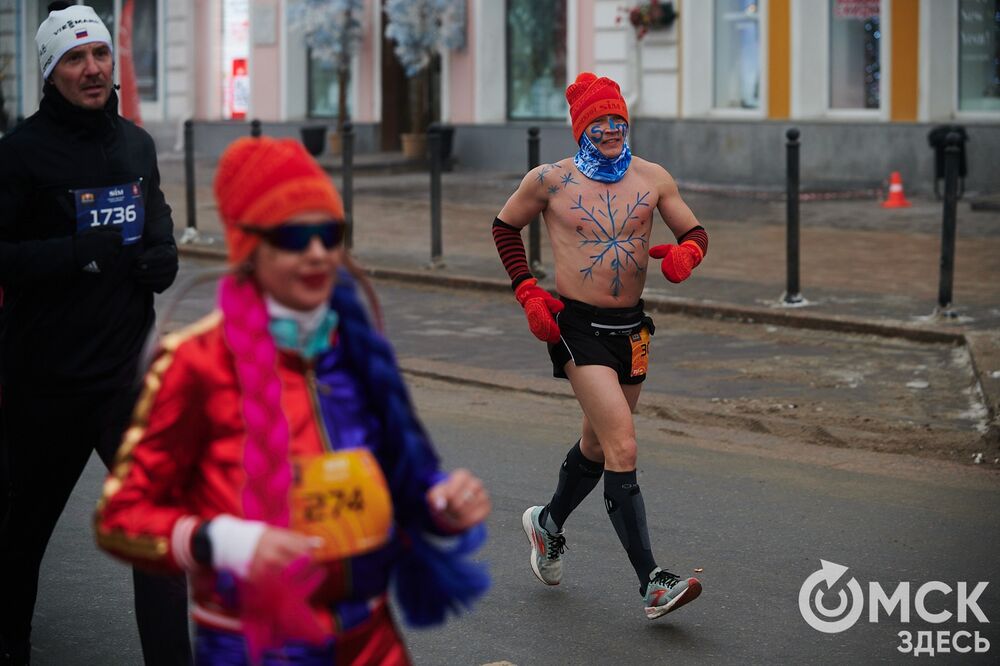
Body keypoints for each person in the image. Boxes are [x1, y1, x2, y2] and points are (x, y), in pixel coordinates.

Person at [95, 136, 491, 665]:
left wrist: (441, 503)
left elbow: (403, 482)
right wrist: (224, 542)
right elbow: (121, 517)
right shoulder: (195, 362)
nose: (317, 253)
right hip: (254, 644)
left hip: (372, 641)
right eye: (293, 236)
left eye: (330, 234)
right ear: (248, 247)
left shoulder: (356, 348)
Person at [0, 4, 188, 664]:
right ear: (51, 71)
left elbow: (159, 231)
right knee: (20, 538)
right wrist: (76, 251)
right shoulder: (19, 155)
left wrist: (162, 260)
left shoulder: (134, 144)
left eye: (100, 55)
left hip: (123, 381)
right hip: (43, 382)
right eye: (75, 59)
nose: (93, 69)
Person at [492, 72, 707, 619]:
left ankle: (547, 524)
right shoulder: (550, 181)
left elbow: (695, 232)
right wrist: (527, 291)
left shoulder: (653, 178)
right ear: (581, 127)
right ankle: (652, 582)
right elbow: (504, 227)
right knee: (624, 447)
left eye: (618, 119)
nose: (611, 129)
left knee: (596, 444)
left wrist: (688, 256)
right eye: (599, 122)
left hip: (632, 331)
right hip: (576, 326)